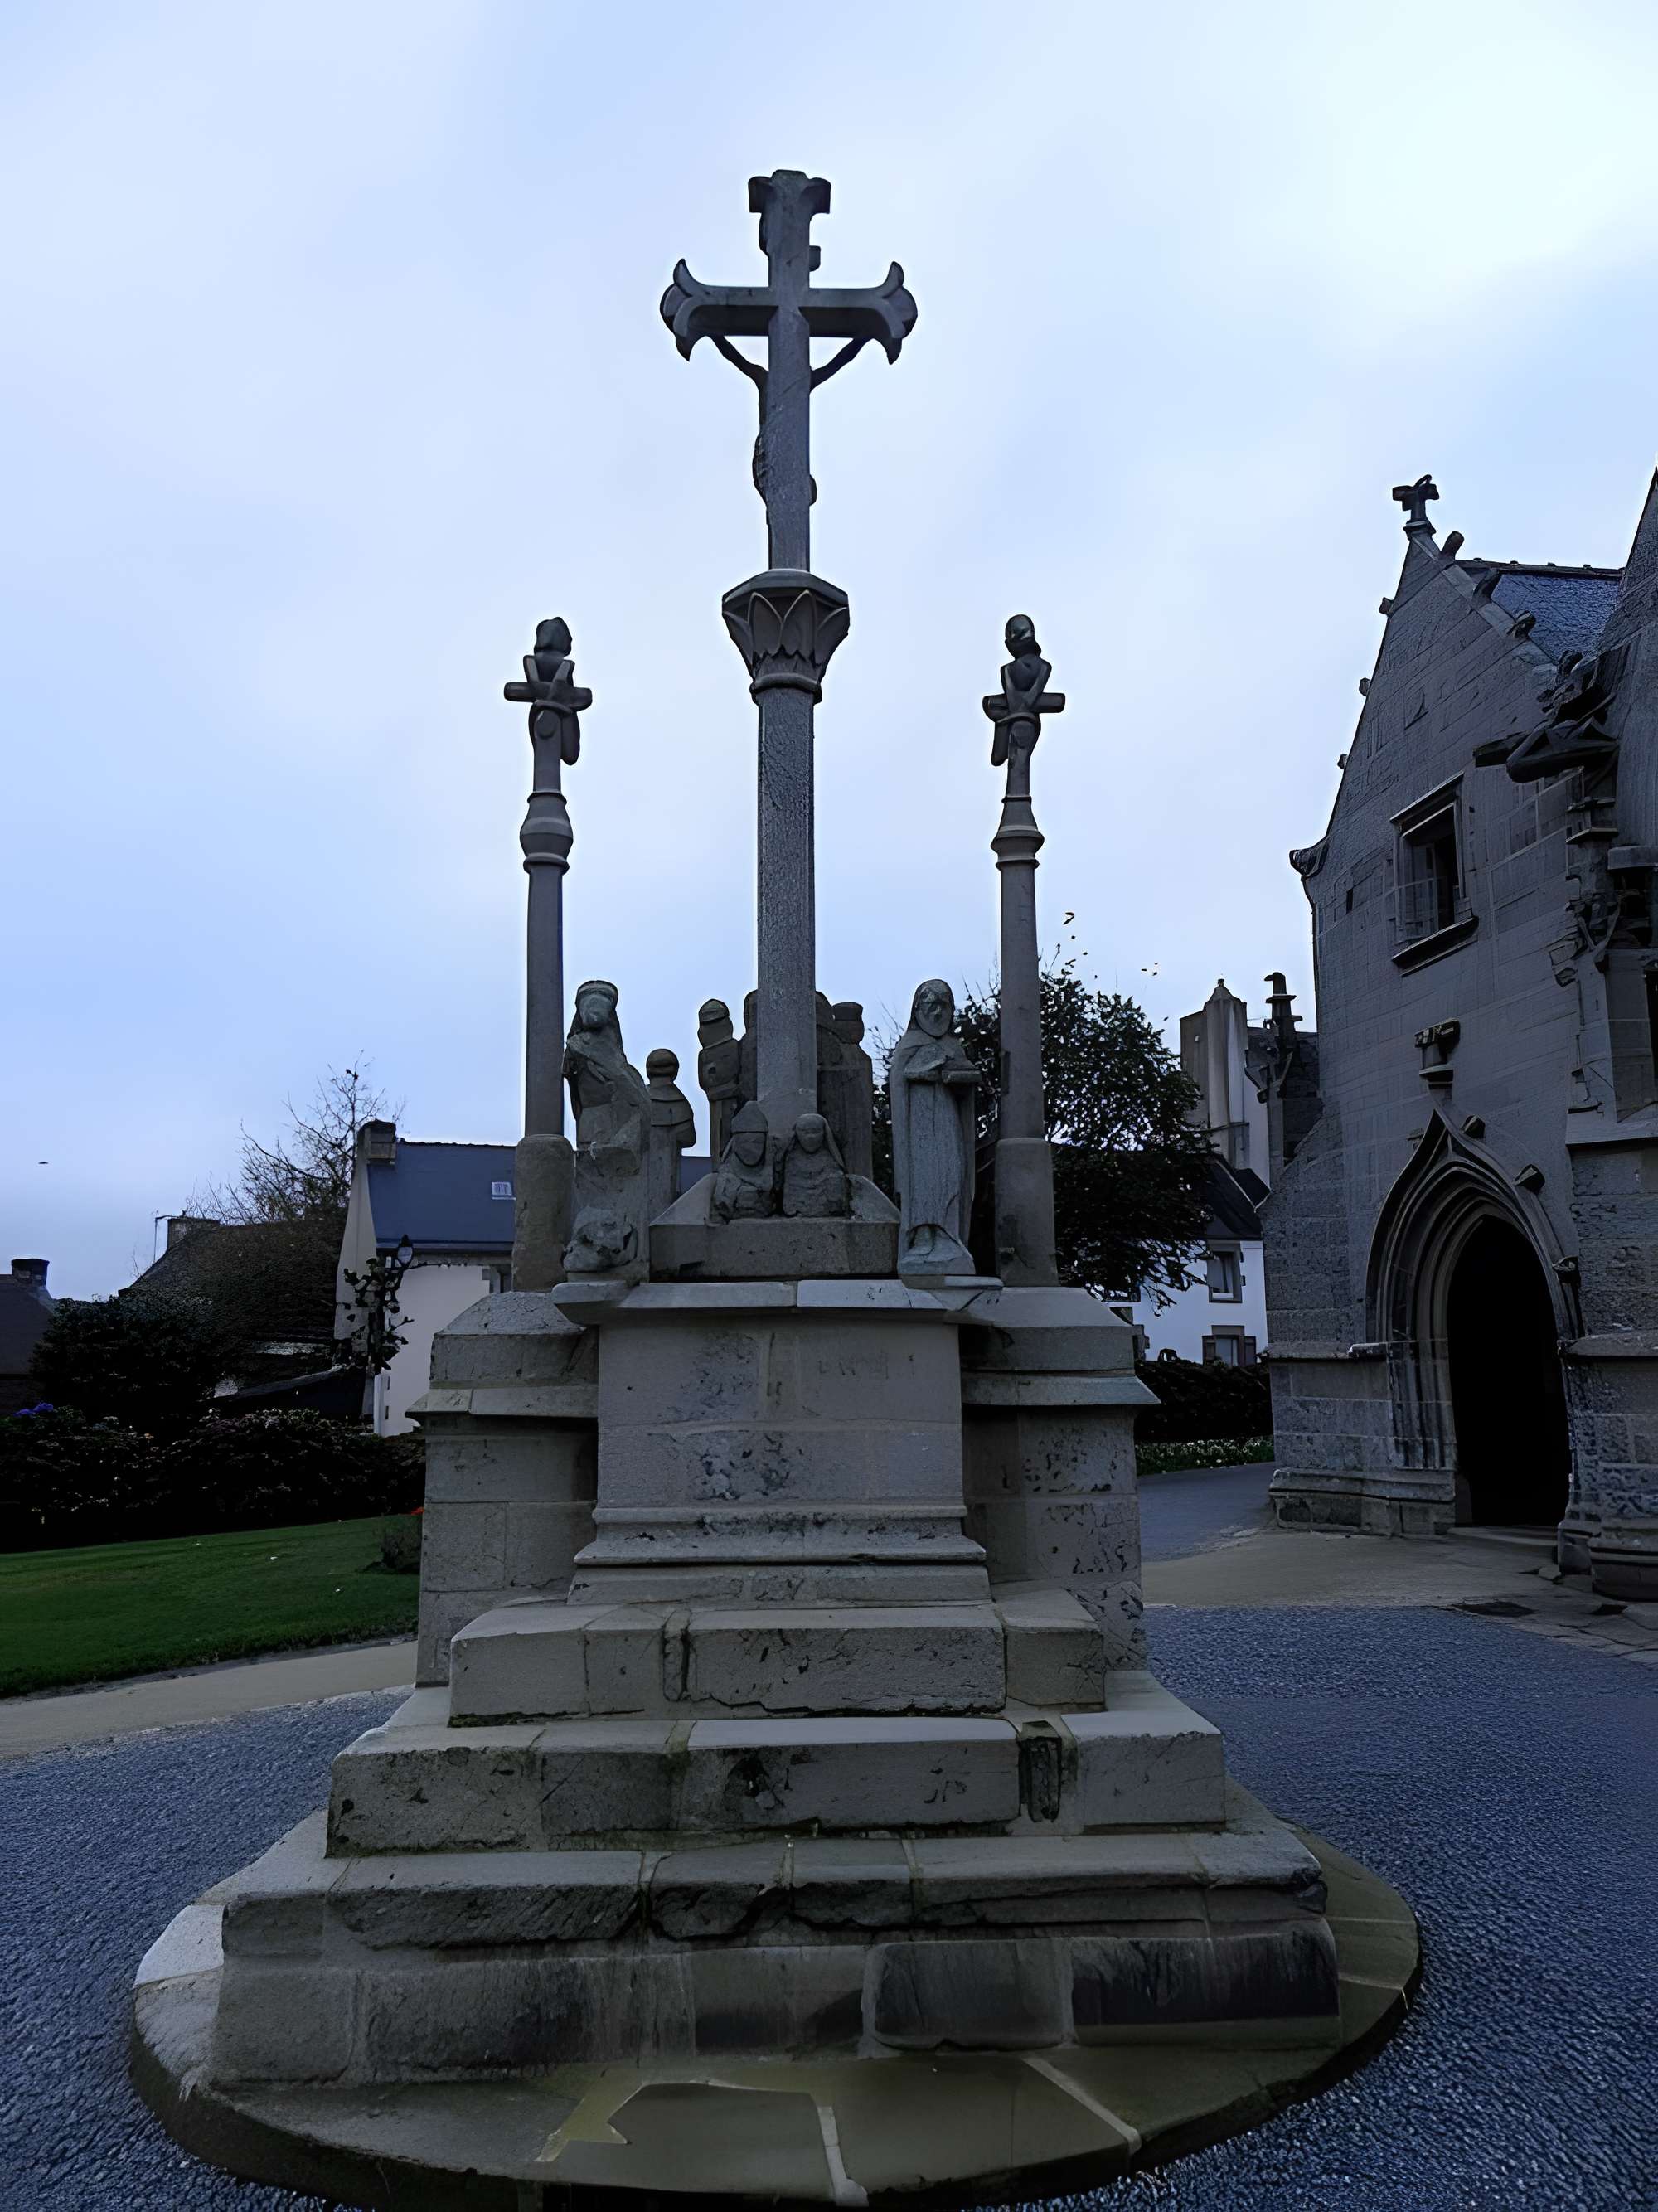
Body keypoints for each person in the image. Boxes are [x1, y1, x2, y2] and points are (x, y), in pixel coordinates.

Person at [888, 978, 979, 1273]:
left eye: (944, 1006)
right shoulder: (909, 1045)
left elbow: (966, 1083)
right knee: (922, 1179)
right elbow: (899, 1081)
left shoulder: (954, 1047)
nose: (937, 1014)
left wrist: (959, 1079)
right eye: (930, 1006)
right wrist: (921, 1074)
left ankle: (948, 1237)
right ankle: (922, 1237)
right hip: (918, 1127)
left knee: (953, 1172)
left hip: (947, 1120)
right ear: (917, 1010)